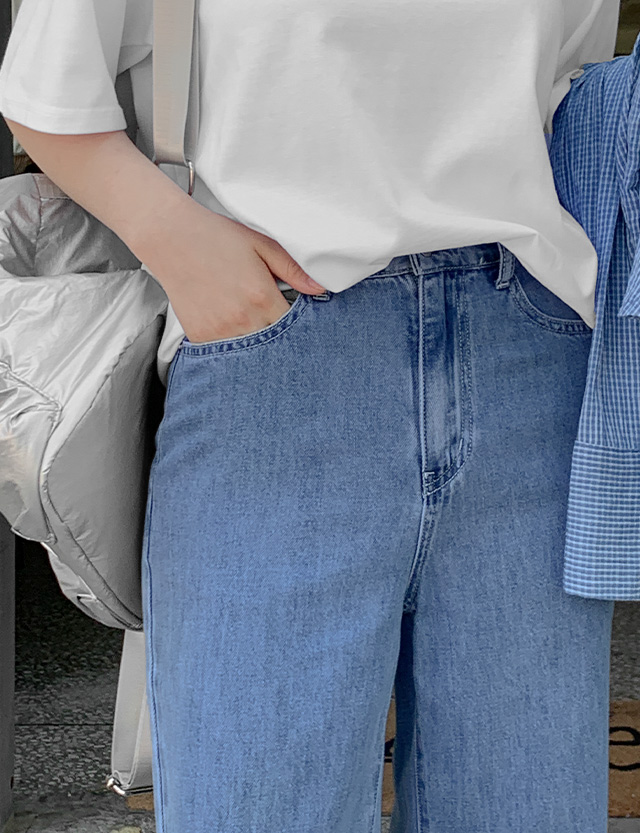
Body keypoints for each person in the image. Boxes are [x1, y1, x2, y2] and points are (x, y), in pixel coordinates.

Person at [0, 1, 621, 831]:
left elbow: (572, 86)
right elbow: (49, 95)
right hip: (279, 351)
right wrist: (183, 247)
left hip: (532, 352)